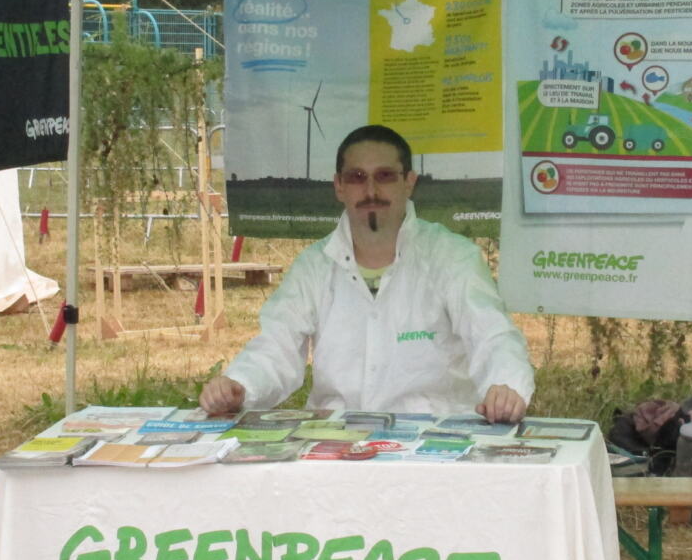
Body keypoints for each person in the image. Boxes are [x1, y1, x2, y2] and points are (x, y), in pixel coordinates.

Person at [200, 124, 533, 421]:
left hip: (432, 444)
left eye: (385, 176)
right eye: (357, 177)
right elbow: (276, 347)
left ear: (409, 183)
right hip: (336, 442)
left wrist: (506, 387)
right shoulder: (314, 267)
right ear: (339, 186)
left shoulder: (453, 257)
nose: (371, 190)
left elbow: (492, 335)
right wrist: (240, 386)